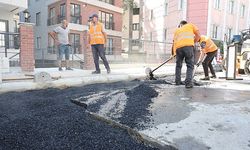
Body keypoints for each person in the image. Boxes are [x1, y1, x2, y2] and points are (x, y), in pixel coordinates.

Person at [172, 20, 201, 88]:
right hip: (188, 47)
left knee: (178, 65)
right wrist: (193, 41)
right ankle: (188, 83)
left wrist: (174, 53)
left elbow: (174, 42)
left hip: (178, 48)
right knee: (190, 65)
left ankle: (177, 81)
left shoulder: (177, 30)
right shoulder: (190, 25)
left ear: (181, 25)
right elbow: (198, 35)